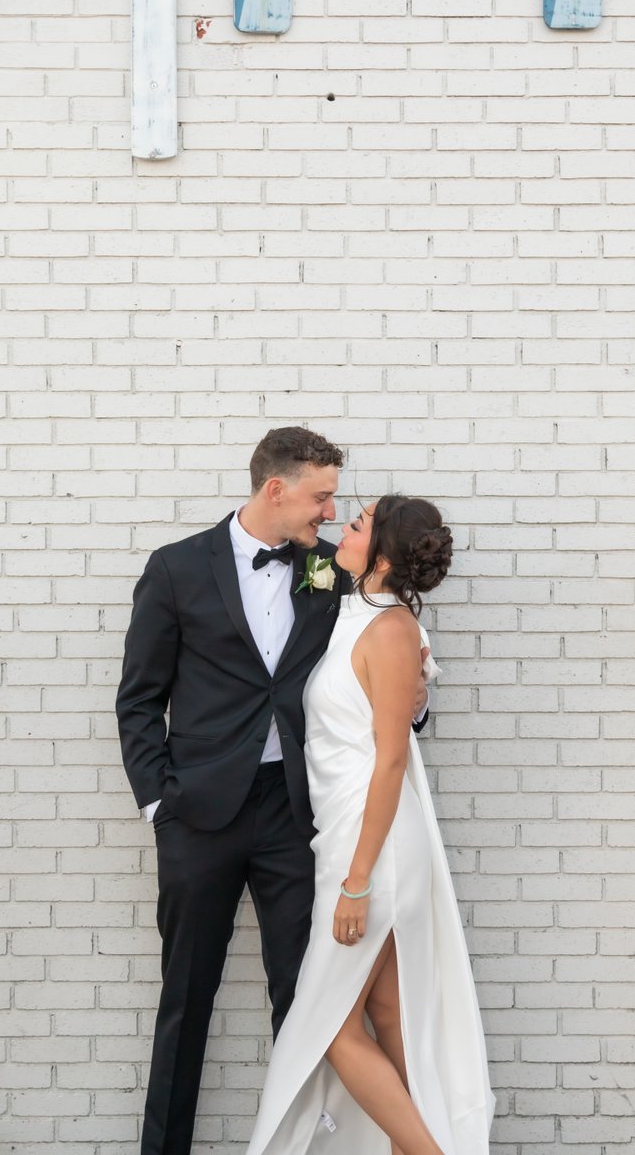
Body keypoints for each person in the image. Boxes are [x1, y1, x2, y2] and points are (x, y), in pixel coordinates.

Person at [115, 428, 431, 1155]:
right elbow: (139, 699)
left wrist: (417, 695)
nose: (330, 511)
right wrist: (162, 802)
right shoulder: (175, 569)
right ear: (275, 489)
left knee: (308, 1001)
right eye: (321, 496)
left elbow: (380, 656)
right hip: (199, 816)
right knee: (185, 1002)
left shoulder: (333, 570)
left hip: (299, 815)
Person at [245, 495, 494, 1155]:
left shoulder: (388, 630)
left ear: (381, 553)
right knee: (384, 1012)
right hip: (345, 835)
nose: (339, 528)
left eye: (354, 524)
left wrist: (357, 883)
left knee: (331, 1027)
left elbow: (390, 763)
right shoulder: (358, 608)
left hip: (371, 847)